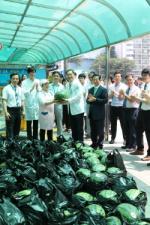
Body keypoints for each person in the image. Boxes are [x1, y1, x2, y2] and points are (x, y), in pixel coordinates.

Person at [130, 68, 150, 161]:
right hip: (141, 110)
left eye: (145, 75)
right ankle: (140, 148)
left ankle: (149, 154)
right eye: (143, 75)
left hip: (148, 111)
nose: (144, 77)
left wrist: (144, 97)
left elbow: (149, 101)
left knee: (148, 133)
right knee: (138, 129)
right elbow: (142, 99)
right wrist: (136, 98)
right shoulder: (143, 85)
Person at [87, 74, 108, 149]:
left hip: (99, 113)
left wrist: (95, 99)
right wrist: (89, 100)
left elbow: (105, 100)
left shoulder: (103, 89)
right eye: (94, 79)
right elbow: (87, 100)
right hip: (92, 113)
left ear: (100, 79)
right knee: (93, 130)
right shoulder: (90, 89)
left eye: (97, 79)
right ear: (92, 80)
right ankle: (94, 143)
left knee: (100, 130)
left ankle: (100, 144)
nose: (95, 81)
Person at [121, 75, 140, 151]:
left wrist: (124, 94)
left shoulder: (136, 89)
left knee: (133, 129)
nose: (129, 81)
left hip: (133, 109)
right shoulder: (127, 89)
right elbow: (124, 98)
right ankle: (128, 144)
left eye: (130, 80)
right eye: (127, 80)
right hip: (126, 109)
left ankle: (133, 146)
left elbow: (132, 100)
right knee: (127, 128)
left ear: (133, 79)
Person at [2, 73, 24, 140]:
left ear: (18, 80)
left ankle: (16, 145)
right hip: (10, 110)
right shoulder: (6, 88)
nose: (15, 80)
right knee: (10, 129)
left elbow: (22, 101)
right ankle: (9, 146)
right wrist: (6, 112)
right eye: (13, 78)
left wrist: (23, 111)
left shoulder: (20, 89)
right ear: (11, 79)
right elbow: (4, 101)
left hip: (18, 110)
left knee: (17, 129)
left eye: (17, 79)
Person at [65, 69, 85, 142]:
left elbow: (79, 96)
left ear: (74, 75)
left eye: (71, 74)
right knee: (73, 128)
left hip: (78, 109)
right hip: (70, 109)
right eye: (68, 75)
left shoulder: (77, 83)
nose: (69, 76)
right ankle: (75, 142)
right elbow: (67, 95)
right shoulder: (67, 84)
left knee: (79, 129)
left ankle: (80, 143)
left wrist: (68, 100)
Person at [22, 67, 40, 140]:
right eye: (31, 72)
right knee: (28, 123)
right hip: (28, 104)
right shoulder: (24, 82)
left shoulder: (38, 81)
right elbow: (23, 93)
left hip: (36, 104)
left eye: (33, 72)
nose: (32, 73)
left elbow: (40, 91)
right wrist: (31, 89)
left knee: (36, 122)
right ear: (28, 73)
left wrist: (39, 89)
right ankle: (29, 138)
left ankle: (35, 138)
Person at [109, 71, 127, 144]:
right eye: (116, 76)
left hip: (121, 106)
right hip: (113, 106)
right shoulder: (111, 86)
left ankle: (125, 139)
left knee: (123, 123)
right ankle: (113, 138)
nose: (117, 77)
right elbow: (108, 96)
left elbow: (124, 97)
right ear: (114, 77)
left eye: (119, 76)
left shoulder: (124, 86)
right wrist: (111, 94)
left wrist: (120, 96)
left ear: (121, 77)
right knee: (113, 123)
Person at [49, 71, 64, 137]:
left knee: (59, 120)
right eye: (54, 76)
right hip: (50, 105)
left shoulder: (62, 86)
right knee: (50, 121)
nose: (56, 77)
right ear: (52, 77)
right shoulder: (49, 86)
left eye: (57, 76)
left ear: (59, 77)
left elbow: (63, 95)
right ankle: (50, 136)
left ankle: (59, 135)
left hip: (58, 105)